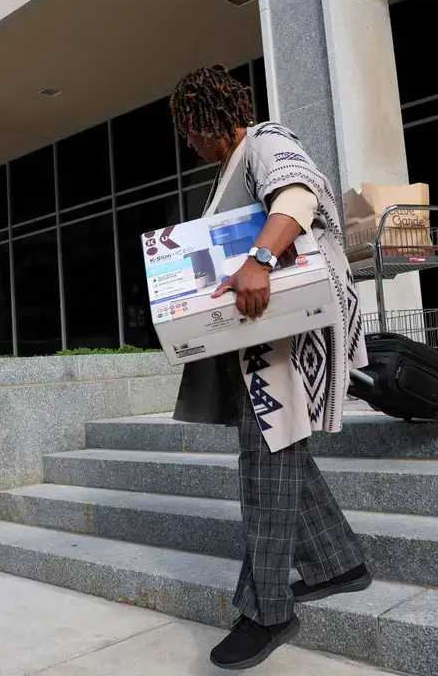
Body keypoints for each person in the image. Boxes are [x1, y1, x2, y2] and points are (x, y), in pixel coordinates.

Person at [168, 65, 372, 670]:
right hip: (264, 338)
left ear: (205, 122)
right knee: (279, 452)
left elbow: (298, 196)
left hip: (282, 336)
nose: (190, 145)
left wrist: (259, 259)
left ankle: (268, 612)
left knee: (265, 466)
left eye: (189, 131)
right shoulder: (239, 162)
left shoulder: (265, 140)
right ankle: (340, 563)